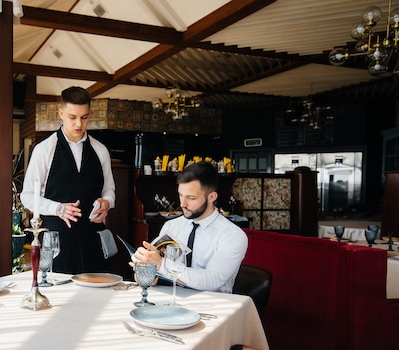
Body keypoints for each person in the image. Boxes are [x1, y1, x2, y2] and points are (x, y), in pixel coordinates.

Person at [21, 86, 116, 274]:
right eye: (72, 117)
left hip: (92, 242)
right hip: (56, 245)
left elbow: (109, 189)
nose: (79, 124)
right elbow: (27, 196)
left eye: (84, 117)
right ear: (61, 113)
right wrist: (58, 209)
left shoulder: (101, 150)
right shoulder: (44, 149)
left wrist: (107, 203)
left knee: (96, 300)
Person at [131, 162, 247, 293]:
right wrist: (145, 271)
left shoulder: (233, 235)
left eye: (191, 198)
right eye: (181, 195)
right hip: (169, 301)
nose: (182, 204)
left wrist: (162, 264)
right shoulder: (171, 226)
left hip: (212, 305)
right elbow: (152, 269)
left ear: (212, 197)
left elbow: (212, 280)